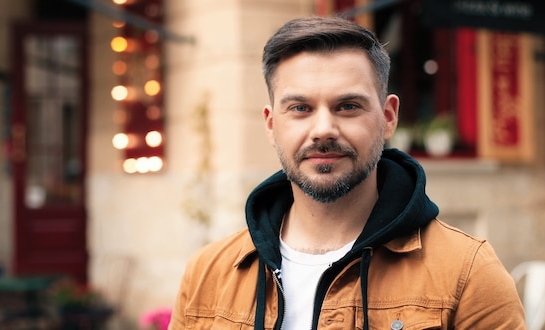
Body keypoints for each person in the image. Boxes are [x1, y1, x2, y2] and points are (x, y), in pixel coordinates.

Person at [169, 16, 525, 329]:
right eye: (301, 108)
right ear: (271, 123)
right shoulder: (207, 275)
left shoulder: (467, 273)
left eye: (348, 106)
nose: (323, 129)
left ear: (388, 117)